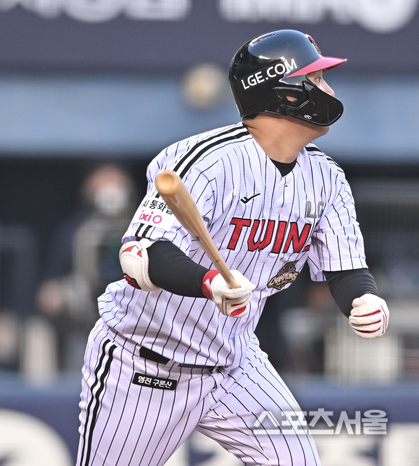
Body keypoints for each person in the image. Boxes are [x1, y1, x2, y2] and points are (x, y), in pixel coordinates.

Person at [76, 29, 390, 466]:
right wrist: (208, 283)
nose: (329, 90)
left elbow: (345, 269)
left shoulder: (327, 177)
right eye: (317, 80)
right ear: (287, 93)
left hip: (236, 364)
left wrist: (364, 298)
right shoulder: (205, 160)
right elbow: (139, 256)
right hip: (146, 361)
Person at [35, 163, 136, 375]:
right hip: (86, 306)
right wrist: (56, 293)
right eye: (103, 183)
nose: (110, 191)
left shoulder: (142, 226)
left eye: (115, 183)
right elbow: (51, 283)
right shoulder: (74, 230)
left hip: (133, 305)